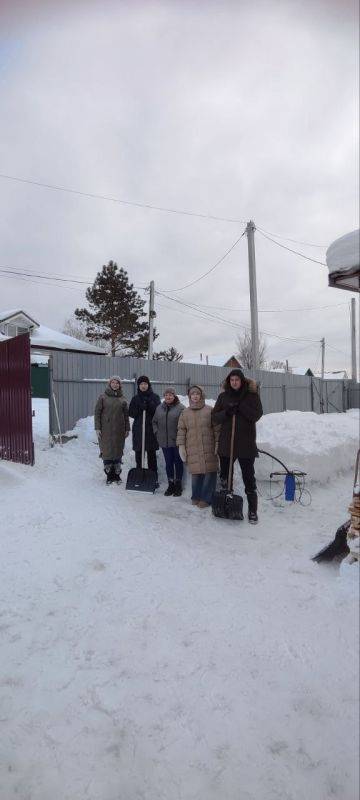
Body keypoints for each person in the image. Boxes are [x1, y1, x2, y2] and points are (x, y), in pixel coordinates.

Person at [211, 369, 263, 523]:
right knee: (226, 475)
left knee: (249, 477)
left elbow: (257, 415)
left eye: (237, 380)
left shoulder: (252, 396)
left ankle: (252, 510)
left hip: (246, 443)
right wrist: (227, 412)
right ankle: (227, 502)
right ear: (229, 381)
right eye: (232, 380)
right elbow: (214, 418)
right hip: (227, 443)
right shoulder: (223, 396)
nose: (234, 382)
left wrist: (241, 407)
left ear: (242, 381)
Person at [176, 385, 219, 509]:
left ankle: (206, 498)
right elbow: (181, 430)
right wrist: (181, 446)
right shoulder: (185, 413)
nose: (195, 396)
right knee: (196, 474)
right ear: (190, 397)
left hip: (208, 447)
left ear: (201, 395)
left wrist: (217, 445)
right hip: (193, 448)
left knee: (209, 474)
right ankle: (196, 496)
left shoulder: (210, 410)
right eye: (192, 394)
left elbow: (217, 429)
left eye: (197, 394)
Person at [94, 376, 130, 484]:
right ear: (109, 384)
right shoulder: (103, 397)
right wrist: (97, 427)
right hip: (106, 430)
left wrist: (127, 428)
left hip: (119, 430)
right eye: (113, 382)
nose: (115, 384)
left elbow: (126, 415)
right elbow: (97, 413)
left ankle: (117, 475)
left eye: (117, 383)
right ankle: (109, 475)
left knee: (118, 450)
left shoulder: (122, 398)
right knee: (107, 450)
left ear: (120, 385)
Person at [152, 387, 185, 496]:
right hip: (164, 441)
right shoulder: (159, 408)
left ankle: (178, 485)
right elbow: (154, 422)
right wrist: (157, 432)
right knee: (169, 464)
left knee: (178, 463)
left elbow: (184, 424)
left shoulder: (180, 408)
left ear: (174, 396)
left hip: (176, 441)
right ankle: (171, 484)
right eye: (166, 395)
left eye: (170, 394)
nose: (168, 397)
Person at [129, 376, 161, 483]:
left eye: (145, 384)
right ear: (138, 386)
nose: (143, 386)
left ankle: (153, 478)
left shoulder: (155, 397)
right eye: (141, 384)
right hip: (139, 430)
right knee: (139, 454)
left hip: (151, 430)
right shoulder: (135, 398)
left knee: (151, 455)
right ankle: (139, 476)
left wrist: (150, 405)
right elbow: (131, 413)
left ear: (148, 385)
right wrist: (139, 408)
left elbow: (158, 412)